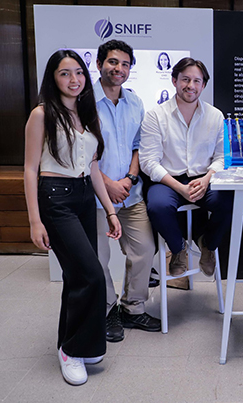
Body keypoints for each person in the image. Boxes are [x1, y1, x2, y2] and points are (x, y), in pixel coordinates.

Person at [24, 49, 122, 386]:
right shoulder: (41, 114)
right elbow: (30, 169)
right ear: (53, 78)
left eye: (79, 72)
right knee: (92, 274)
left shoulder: (87, 113)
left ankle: (80, 343)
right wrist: (34, 220)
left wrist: (109, 209)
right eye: (65, 73)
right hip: (55, 198)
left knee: (77, 276)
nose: (74, 79)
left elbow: (92, 166)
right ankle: (71, 350)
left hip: (83, 196)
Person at [93, 40, 161, 343]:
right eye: (112, 62)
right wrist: (108, 184)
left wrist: (130, 179)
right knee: (98, 257)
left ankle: (133, 308)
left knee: (144, 249)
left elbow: (138, 146)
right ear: (99, 64)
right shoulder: (83, 102)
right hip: (96, 196)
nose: (118, 68)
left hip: (130, 194)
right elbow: (82, 153)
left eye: (124, 64)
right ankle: (107, 310)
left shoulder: (135, 102)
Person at [140, 57, 232, 277]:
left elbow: (223, 157)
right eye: (185, 79)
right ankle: (178, 248)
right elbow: (149, 161)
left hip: (203, 179)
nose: (191, 85)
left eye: (197, 81)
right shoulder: (156, 116)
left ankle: (208, 245)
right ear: (174, 81)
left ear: (203, 85)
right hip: (168, 180)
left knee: (228, 202)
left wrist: (207, 178)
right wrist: (179, 188)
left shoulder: (215, 116)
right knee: (158, 206)